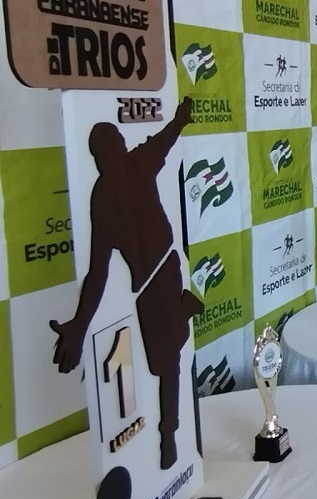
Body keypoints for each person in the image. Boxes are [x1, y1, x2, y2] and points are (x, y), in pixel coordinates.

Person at [49, 97, 204, 470]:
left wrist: (180, 121)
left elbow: (97, 274)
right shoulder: (118, 181)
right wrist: (80, 325)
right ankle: (168, 435)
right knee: (166, 365)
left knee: (169, 363)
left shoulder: (113, 185)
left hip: (162, 274)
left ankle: (169, 434)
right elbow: (97, 272)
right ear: (108, 154)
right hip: (153, 284)